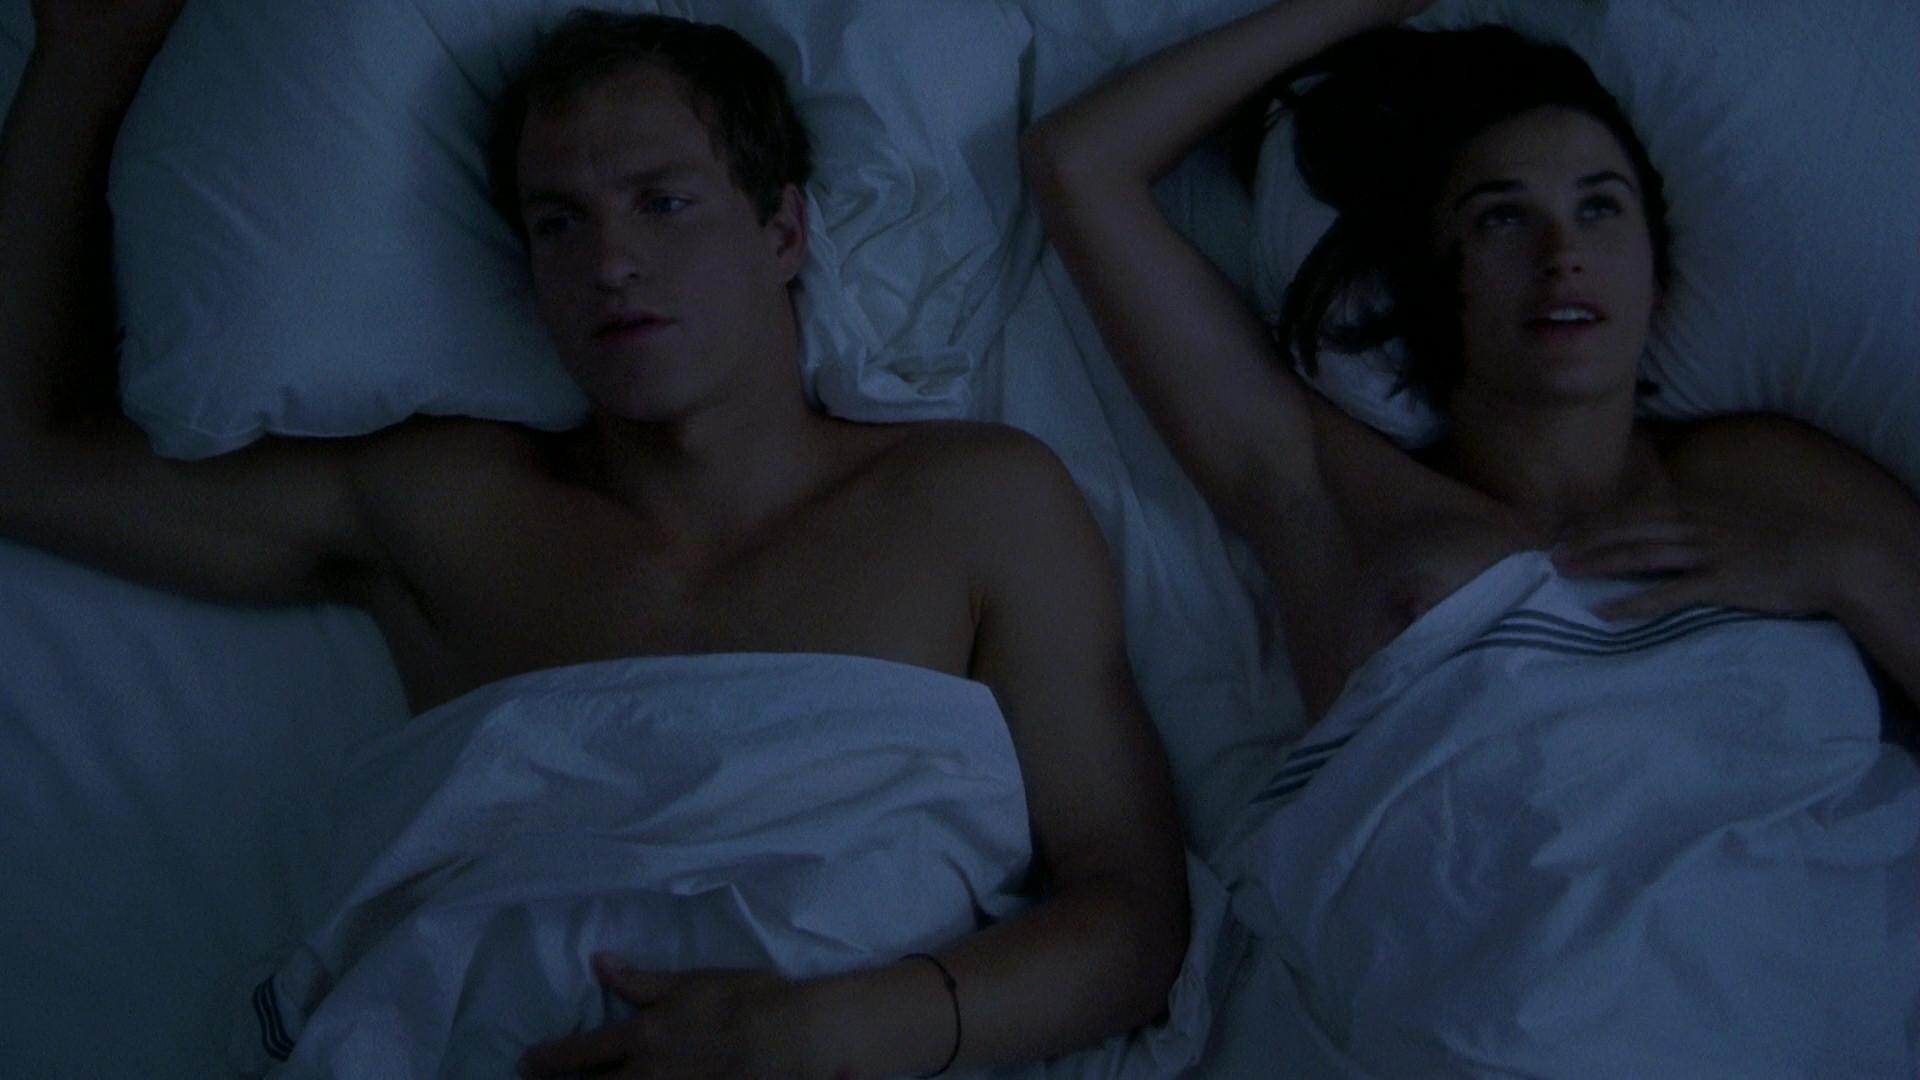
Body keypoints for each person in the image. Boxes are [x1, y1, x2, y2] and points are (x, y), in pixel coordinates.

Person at [0, 3, 1188, 1077]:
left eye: (662, 202)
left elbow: (1131, 918)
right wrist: (83, 60)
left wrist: (834, 1032)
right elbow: (25, 467)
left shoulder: (975, 503)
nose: (609, 263)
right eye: (558, 222)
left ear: (783, 230)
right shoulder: (448, 507)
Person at [1021, 0, 1920, 725]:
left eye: (1600, 208)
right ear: (1431, 277)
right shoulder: (1330, 496)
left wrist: (1851, 574)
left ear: (1658, 271)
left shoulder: (1767, 469)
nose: (1562, 254)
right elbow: (1079, 162)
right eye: (1502, 218)